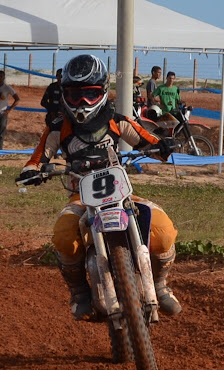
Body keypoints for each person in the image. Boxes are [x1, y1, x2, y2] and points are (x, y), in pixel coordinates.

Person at [16, 54, 181, 320]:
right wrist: (32, 171)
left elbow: (147, 140)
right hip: (81, 198)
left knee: (163, 231)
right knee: (64, 237)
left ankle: (160, 285)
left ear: (102, 91)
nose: (82, 101)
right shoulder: (59, 128)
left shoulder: (116, 120)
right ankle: (79, 291)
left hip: (122, 196)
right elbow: (37, 158)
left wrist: (163, 146)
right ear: (64, 94)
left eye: (89, 93)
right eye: (75, 95)